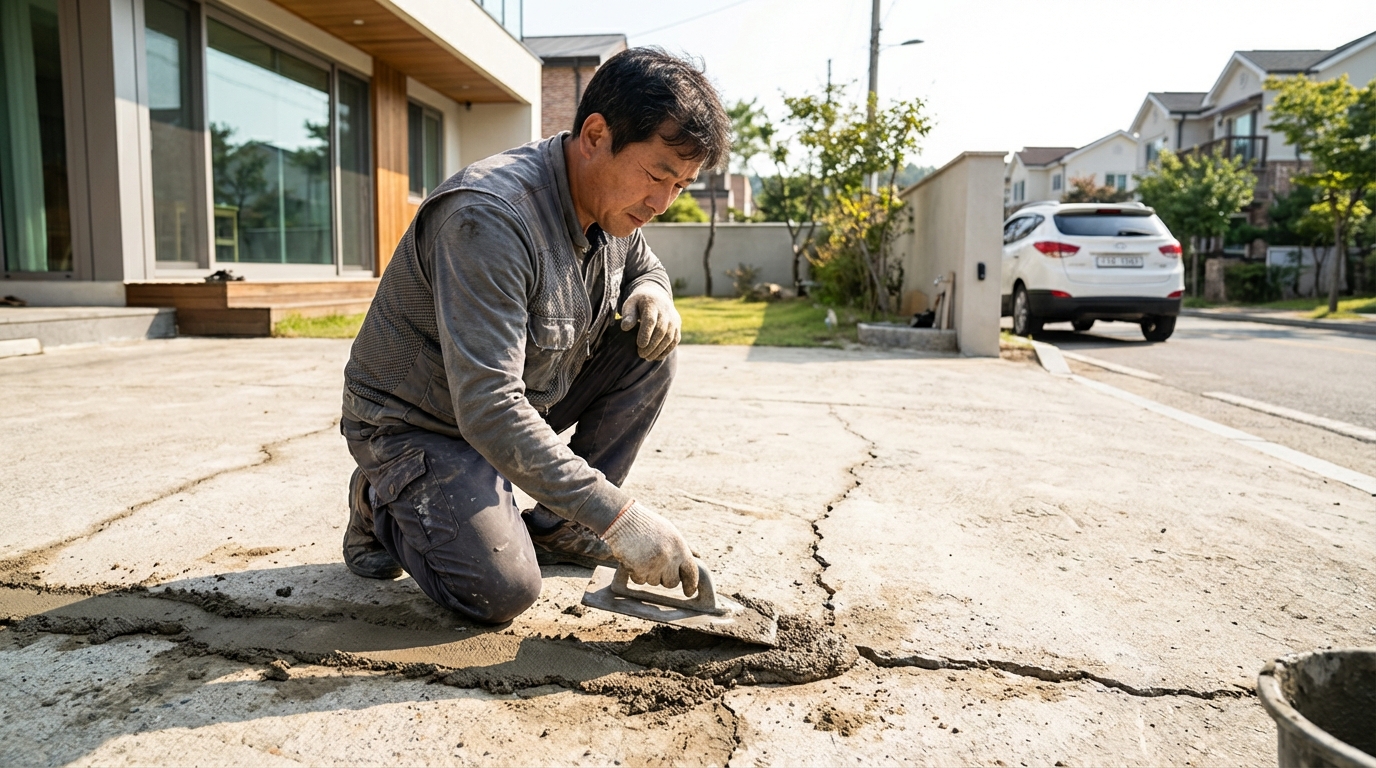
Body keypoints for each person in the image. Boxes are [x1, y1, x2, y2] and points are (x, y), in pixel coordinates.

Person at [338, 47, 730, 624]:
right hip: (420, 423)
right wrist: (620, 517)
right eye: (657, 176)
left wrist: (655, 292)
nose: (662, 203)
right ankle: (382, 497)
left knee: (649, 345)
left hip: (516, 400)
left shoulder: (611, 206)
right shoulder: (489, 218)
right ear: (595, 134)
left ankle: (560, 527)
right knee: (500, 590)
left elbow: (642, 265)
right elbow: (490, 408)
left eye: (681, 185)